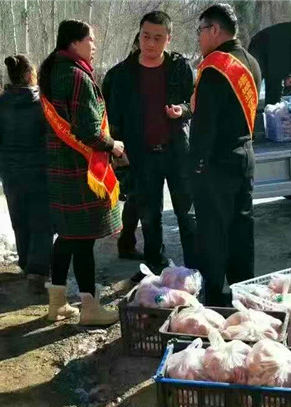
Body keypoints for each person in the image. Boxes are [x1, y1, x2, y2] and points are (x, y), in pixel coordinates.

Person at [39, 20, 124, 326]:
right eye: (91, 39)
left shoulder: (52, 71)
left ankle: (57, 304)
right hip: (80, 170)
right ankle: (90, 308)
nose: (94, 46)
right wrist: (113, 145)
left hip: (60, 169)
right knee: (83, 241)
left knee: (66, 236)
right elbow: (88, 130)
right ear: (74, 43)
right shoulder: (76, 76)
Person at [103, 11, 197, 281]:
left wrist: (183, 110)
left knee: (187, 214)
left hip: (177, 152)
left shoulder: (180, 68)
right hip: (141, 156)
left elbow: (194, 103)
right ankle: (156, 268)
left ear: (169, 39)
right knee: (150, 218)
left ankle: (196, 267)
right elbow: (112, 117)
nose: (151, 43)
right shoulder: (121, 75)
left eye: (158, 38)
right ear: (139, 35)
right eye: (146, 36)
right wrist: (118, 153)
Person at [190, 4, 261, 306]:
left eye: (200, 31)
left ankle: (217, 301)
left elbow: (204, 124)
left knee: (213, 233)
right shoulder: (251, 62)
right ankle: (246, 294)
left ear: (215, 30)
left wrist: (195, 164)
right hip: (245, 156)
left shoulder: (215, 66)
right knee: (241, 229)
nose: (199, 38)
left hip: (217, 163)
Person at [0, 55, 51, 294]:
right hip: (40, 169)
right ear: (30, 75)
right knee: (42, 220)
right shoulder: (43, 104)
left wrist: (5, 145)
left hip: (10, 170)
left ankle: (26, 263)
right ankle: (38, 272)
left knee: (19, 218)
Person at [103, 33, 144, 262]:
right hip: (124, 145)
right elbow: (107, 113)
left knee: (136, 195)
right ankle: (126, 243)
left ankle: (128, 241)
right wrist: (116, 147)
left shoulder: (119, 73)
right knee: (135, 195)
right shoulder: (120, 75)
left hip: (134, 143)